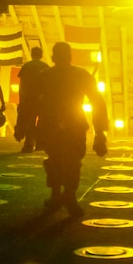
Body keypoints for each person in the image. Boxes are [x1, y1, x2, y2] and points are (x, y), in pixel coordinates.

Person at [34, 42, 108, 217]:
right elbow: (98, 103)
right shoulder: (82, 75)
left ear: (53, 57)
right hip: (75, 123)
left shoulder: (44, 76)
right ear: (70, 56)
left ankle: (55, 194)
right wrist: (100, 132)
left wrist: (27, 127)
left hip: (50, 124)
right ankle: (70, 194)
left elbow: (31, 103)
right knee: (73, 160)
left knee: (53, 159)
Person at [14, 46, 50, 153]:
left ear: (32, 54)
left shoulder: (26, 66)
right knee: (42, 121)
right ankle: (40, 143)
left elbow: (22, 84)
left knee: (30, 121)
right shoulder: (45, 66)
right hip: (42, 99)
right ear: (41, 55)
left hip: (28, 98)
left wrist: (21, 99)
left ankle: (28, 145)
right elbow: (49, 84)